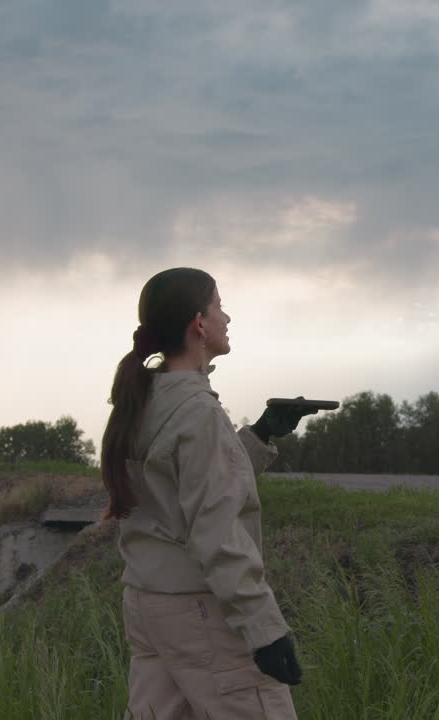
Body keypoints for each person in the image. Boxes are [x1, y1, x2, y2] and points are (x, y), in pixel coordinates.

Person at [100, 267, 320, 720]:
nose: (227, 317)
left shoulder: (144, 399)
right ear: (198, 323)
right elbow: (215, 530)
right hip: (199, 611)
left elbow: (179, 487)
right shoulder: (198, 411)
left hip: (148, 604)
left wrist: (259, 436)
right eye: (219, 305)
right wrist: (263, 629)